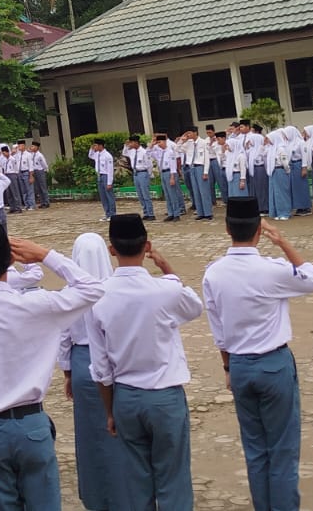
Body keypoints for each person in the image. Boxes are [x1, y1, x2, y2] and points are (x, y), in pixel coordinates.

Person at [0, 221, 107, 509]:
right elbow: (93, 288)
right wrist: (46, 255)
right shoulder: (38, 305)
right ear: (11, 260)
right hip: (32, 424)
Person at [203, 196, 313, 511]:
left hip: (240, 366)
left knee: (255, 451)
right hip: (273, 364)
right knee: (282, 451)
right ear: (259, 230)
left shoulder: (213, 273)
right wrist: (282, 242)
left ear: (227, 229)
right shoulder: (272, 270)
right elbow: (312, 279)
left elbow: (218, 330)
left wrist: (228, 368)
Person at [89, 215, 204, 510]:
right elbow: (193, 307)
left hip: (126, 396)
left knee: (135, 482)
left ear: (111, 249)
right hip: (165, 395)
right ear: (147, 245)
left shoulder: (99, 297)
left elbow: (101, 369)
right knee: (173, 479)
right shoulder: (164, 290)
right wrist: (168, 270)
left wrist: (110, 411)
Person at [59, 233, 117, 511]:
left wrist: (67, 372)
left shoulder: (70, 293)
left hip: (82, 362)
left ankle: (96, 498)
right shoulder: (115, 289)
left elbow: (63, 335)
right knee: (121, 432)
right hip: (116, 363)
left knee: (90, 437)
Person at [123, 136, 155, 220]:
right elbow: (124, 153)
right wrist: (126, 145)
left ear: (136, 143)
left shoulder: (144, 152)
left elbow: (149, 165)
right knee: (140, 195)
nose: (130, 144)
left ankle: (151, 213)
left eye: (131, 142)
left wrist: (149, 175)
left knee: (145, 194)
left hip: (143, 173)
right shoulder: (132, 151)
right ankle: (145, 212)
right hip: (135, 173)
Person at [90, 139, 116, 219]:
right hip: (99, 175)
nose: (95, 147)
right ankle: (107, 213)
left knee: (109, 196)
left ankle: (112, 214)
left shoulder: (107, 155)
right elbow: (90, 155)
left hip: (106, 176)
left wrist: (109, 182)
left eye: (96, 145)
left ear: (101, 145)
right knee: (103, 196)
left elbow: (110, 170)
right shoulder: (97, 154)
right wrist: (91, 149)